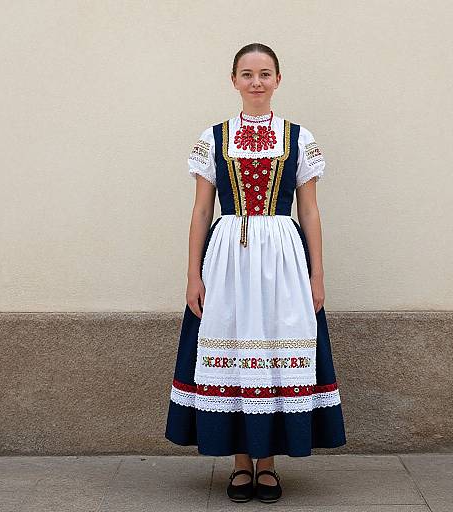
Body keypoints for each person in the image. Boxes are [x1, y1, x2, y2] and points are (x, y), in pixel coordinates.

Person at [165, 42, 346, 504]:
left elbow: (310, 209)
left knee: (272, 339)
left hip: (284, 255)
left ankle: (268, 465)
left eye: (265, 74)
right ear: (234, 80)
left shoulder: (298, 137)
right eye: (247, 74)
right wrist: (192, 274)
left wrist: (317, 274)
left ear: (278, 80)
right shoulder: (214, 136)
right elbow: (201, 209)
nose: (256, 82)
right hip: (227, 255)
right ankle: (241, 464)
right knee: (235, 339)